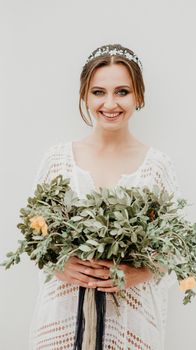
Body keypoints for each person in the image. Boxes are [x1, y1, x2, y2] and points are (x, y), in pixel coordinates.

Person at [29, 43, 182, 350]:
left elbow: (174, 251)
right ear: (84, 96)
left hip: (129, 322)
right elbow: (36, 236)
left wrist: (140, 272)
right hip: (62, 318)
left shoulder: (156, 167)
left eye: (122, 91)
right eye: (99, 92)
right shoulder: (58, 159)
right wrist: (60, 265)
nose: (110, 103)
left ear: (138, 95)